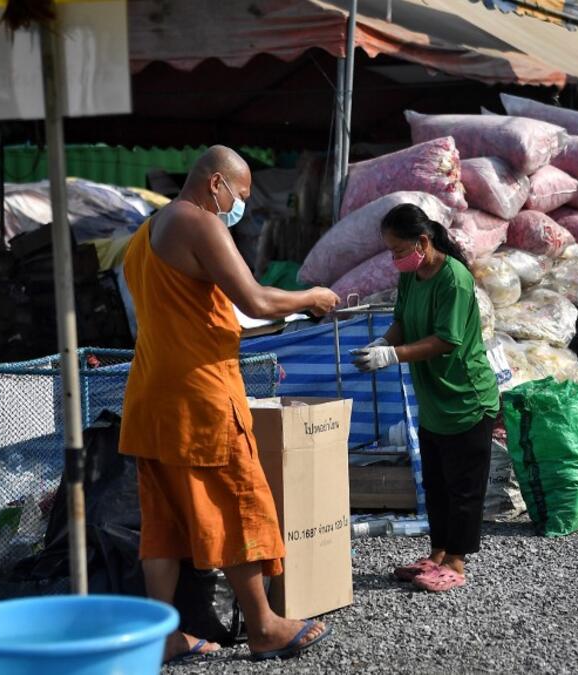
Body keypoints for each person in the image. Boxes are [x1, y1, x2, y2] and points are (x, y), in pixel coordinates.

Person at [120, 146, 339, 662]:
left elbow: (189, 308)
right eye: (238, 196)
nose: (237, 206)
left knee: (165, 526)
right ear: (215, 183)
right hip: (200, 397)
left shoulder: (143, 235)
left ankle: (165, 635)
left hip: (150, 396)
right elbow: (256, 301)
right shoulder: (198, 221)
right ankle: (264, 627)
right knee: (240, 506)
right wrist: (311, 297)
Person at [351, 204, 500, 593]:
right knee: (435, 481)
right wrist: (384, 341)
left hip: (466, 396)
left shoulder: (454, 278)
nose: (395, 259)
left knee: (463, 486)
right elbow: (402, 320)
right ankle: (436, 553)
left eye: (399, 250)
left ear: (423, 241)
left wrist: (393, 355)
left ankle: (456, 562)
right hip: (433, 397)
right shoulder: (412, 275)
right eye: (391, 252)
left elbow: (446, 341)